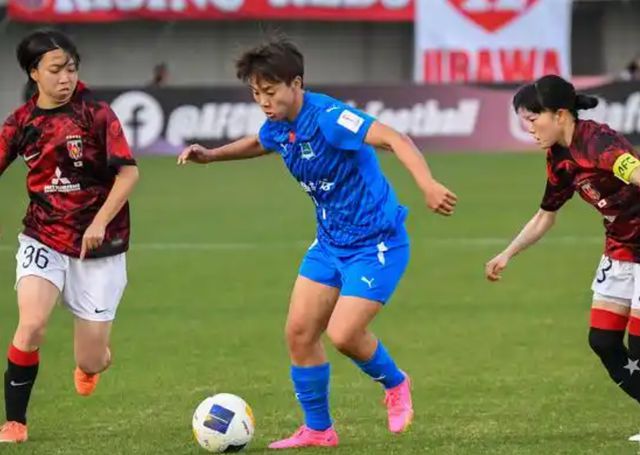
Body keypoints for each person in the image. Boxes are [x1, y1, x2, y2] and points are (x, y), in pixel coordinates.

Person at [178, 37, 457, 449]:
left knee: (343, 334)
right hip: (329, 244)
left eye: (270, 91)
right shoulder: (278, 124)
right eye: (256, 93)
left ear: (296, 83)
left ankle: (396, 383)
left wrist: (427, 184)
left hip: (376, 243)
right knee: (299, 333)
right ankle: (319, 430)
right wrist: (212, 155)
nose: (263, 102)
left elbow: (395, 138)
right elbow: (261, 142)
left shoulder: (329, 118)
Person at [0, 30, 139, 443]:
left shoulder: (96, 114)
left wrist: (99, 222)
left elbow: (128, 173)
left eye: (71, 68)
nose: (65, 78)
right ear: (34, 73)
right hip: (43, 236)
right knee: (31, 325)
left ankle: (91, 364)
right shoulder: (21, 123)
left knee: (92, 358)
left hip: (100, 247)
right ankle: (15, 422)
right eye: (56, 70)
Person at [485, 74, 640, 442]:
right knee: (603, 341)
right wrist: (508, 253)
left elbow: (635, 171)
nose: (529, 129)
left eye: (532, 119)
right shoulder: (559, 159)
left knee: (638, 347)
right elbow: (546, 215)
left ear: (559, 114)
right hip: (620, 250)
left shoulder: (598, 143)